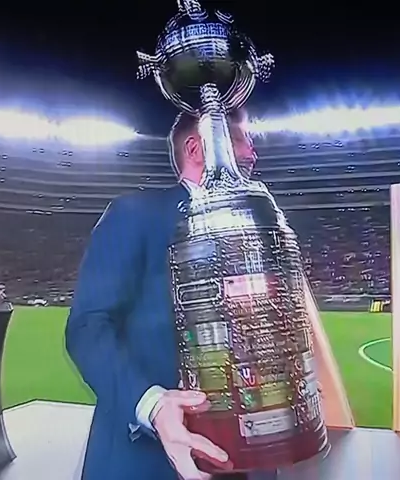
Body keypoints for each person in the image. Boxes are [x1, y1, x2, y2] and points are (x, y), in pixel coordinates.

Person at [65, 108, 276, 480]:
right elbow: (87, 327)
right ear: (196, 148)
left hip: (246, 459)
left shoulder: (256, 228)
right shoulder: (136, 214)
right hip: (148, 463)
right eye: (241, 140)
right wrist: (153, 405)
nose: (252, 154)